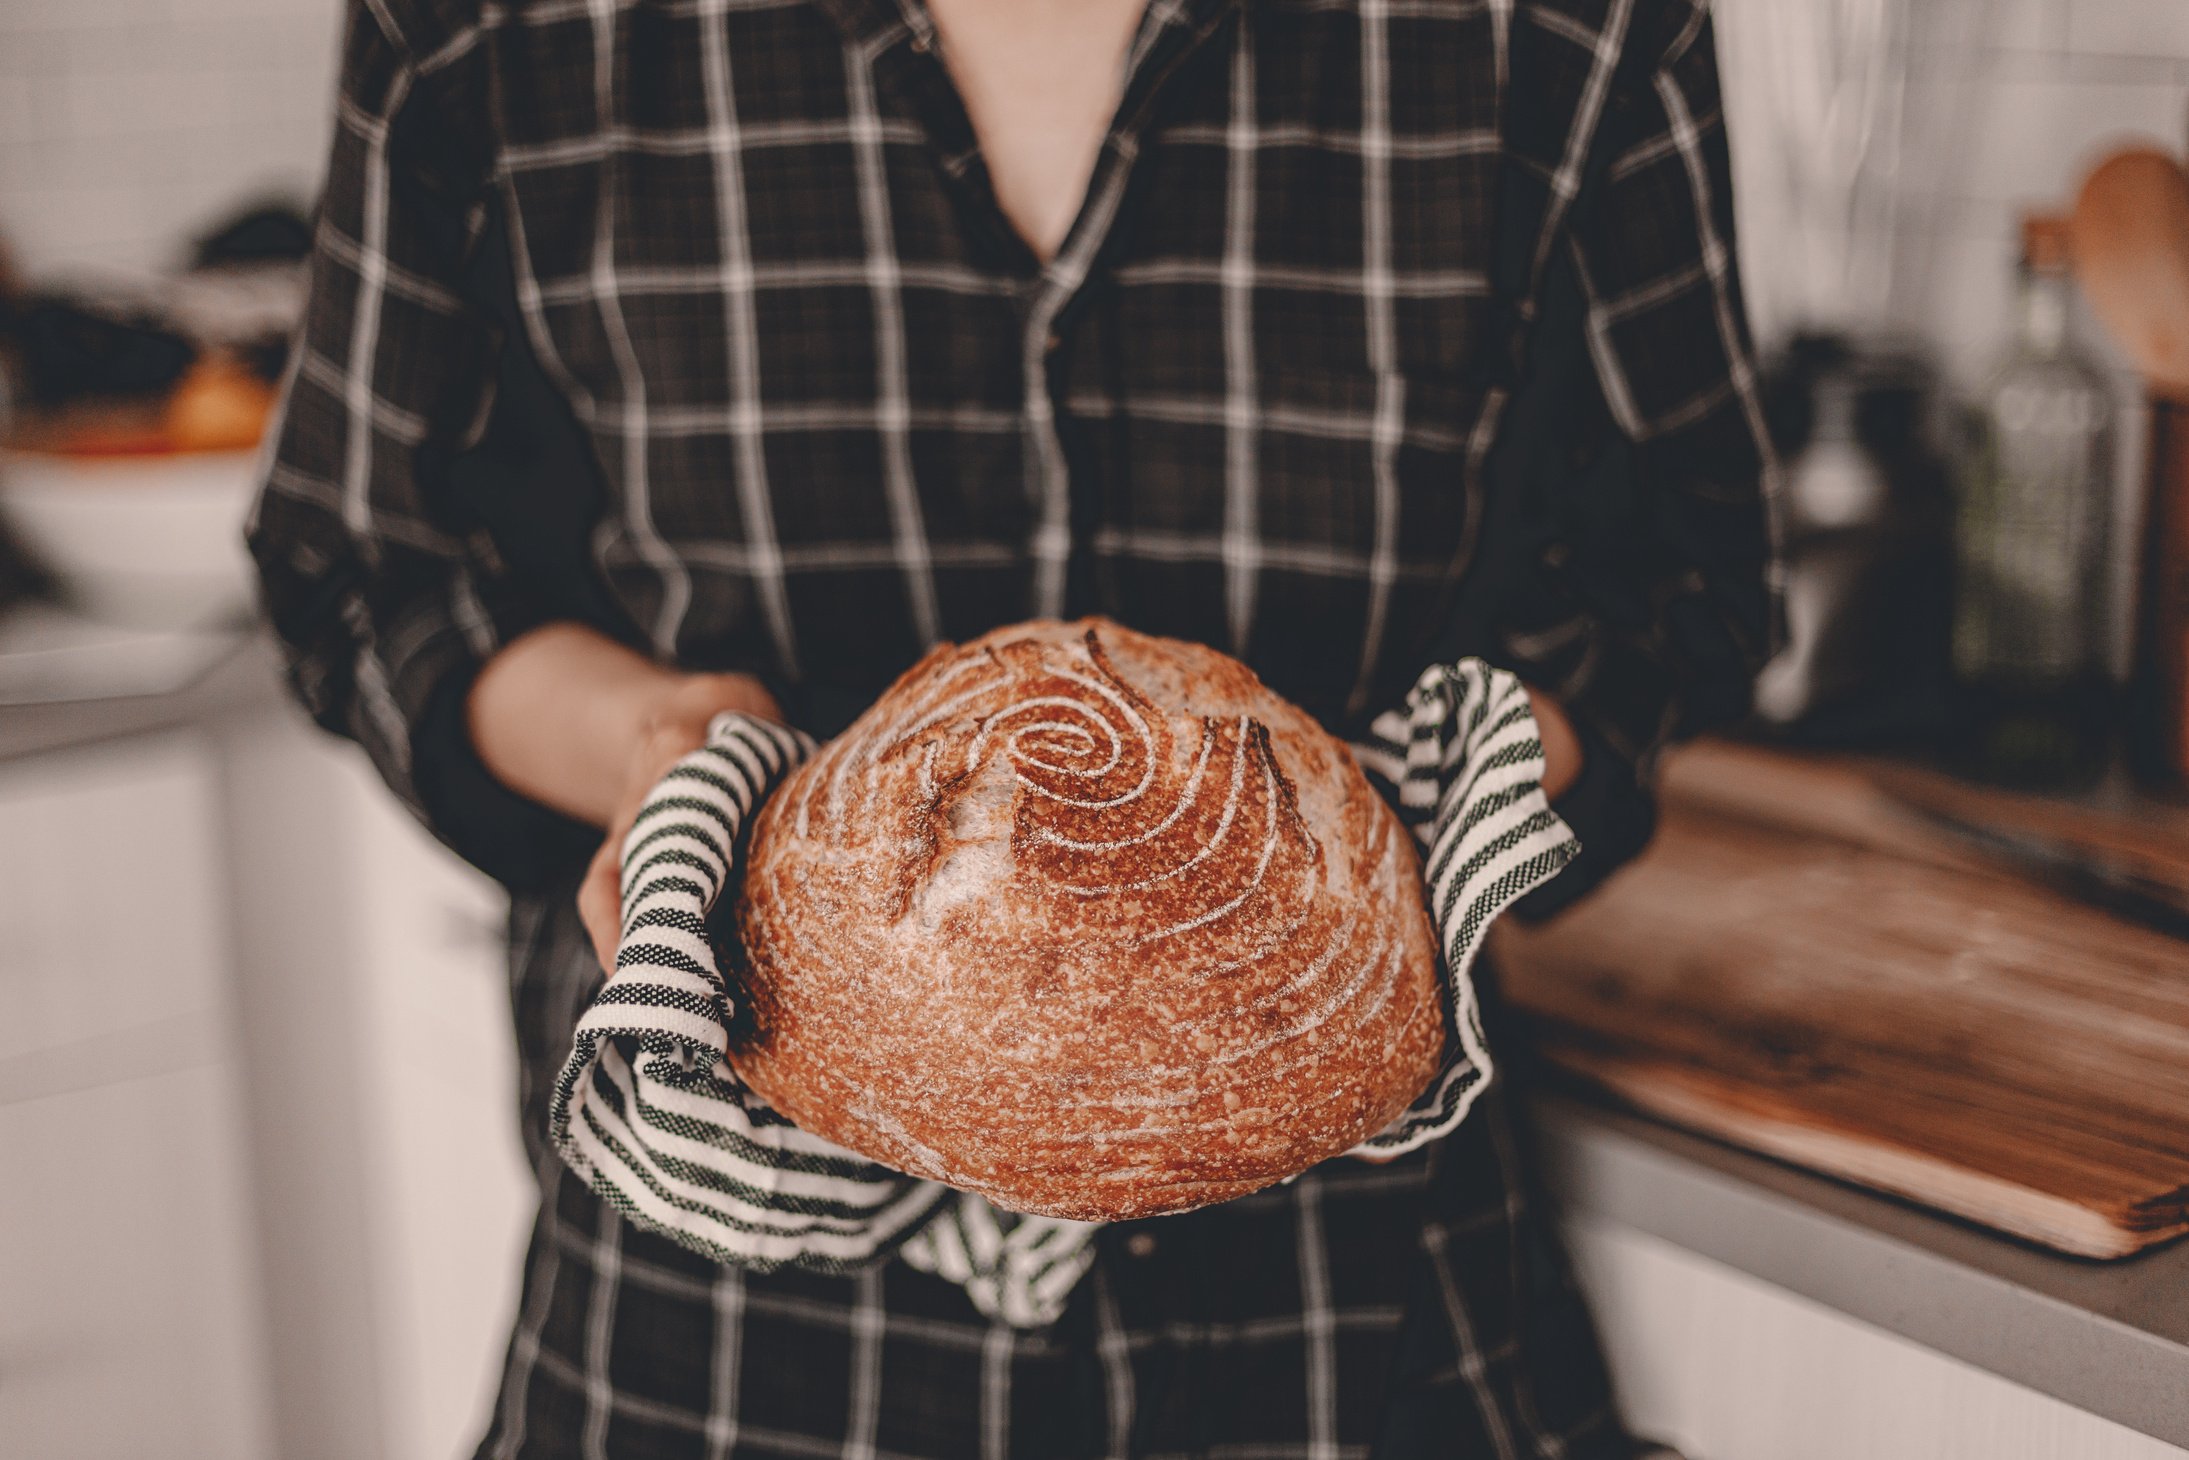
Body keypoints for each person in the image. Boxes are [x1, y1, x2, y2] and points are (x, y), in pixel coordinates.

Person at [248, 0, 1774, 1453]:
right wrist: (661, 744)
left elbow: (1680, 580)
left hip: (1358, 1335)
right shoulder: (491, 28)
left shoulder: (1554, 26)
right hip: (717, 1355)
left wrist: (1390, 843)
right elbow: (367, 565)